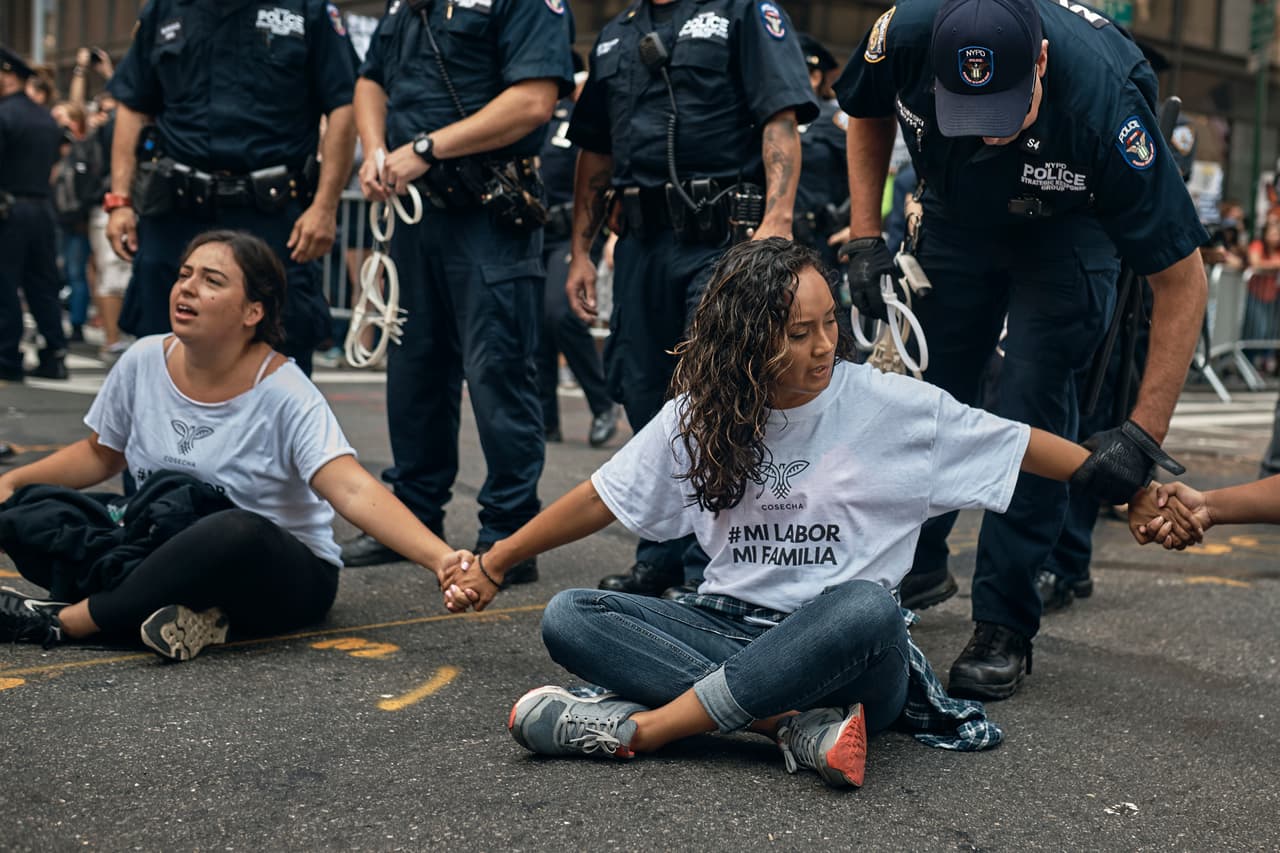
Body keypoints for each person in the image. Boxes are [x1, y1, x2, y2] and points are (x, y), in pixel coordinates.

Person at [436, 239, 1161, 788]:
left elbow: (1014, 441)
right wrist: (494, 563)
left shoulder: (885, 405)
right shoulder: (698, 415)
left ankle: (650, 728)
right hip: (729, 625)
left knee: (867, 608)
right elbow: (600, 496)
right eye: (796, 332)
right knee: (571, 612)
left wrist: (1131, 487)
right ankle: (786, 725)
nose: (822, 347)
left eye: (828, 325)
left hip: (850, 656)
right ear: (746, 339)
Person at [832, 0, 1208, 700]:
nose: (994, 134)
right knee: (924, 394)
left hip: (1068, 225)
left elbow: (1182, 280)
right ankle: (915, 557)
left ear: (1039, 63)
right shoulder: (906, 35)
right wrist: (862, 234)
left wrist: (1141, 435)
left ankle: (1004, 621)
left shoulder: (1104, 105)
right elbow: (866, 109)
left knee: (1030, 403)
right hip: (955, 213)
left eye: (1007, 112)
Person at [0, 230, 470, 661]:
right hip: (158, 540)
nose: (187, 287)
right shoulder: (143, 359)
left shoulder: (284, 391)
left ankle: (68, 621)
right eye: (184, 275)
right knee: (29, 512)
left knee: (235, 529)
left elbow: (349, 488)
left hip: (277, 576)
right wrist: (13, 482)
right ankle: (175, 615)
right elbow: (101, 453)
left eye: (211, 281)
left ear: (253, 312)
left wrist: (441, 559)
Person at [567, 0, 818, 597]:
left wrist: (778, 220)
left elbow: (779, 118)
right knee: (640, 390)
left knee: (711, 392)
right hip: (640, 244)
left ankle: (713, 564)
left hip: (721, 238)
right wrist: (581, 250)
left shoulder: (743, 12)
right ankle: (660, 553)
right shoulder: (614, 36)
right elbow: (595, 153)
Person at [340, 0, 574, 575]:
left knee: (498, 373)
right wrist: (375, 151)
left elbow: (533, 101)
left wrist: (425, 149)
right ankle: (413, 519)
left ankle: (508, 536)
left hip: (487, 215)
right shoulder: (406, 6)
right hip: (418, 218)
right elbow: (370, 80)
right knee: (414, 371)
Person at [104, 1, 358, 376]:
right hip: (176, 212)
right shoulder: (164, 10)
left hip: (272, 216)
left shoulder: (309, 10)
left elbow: (344, 105)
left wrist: (325, 206)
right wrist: (120, 201)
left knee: (280, 354)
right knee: (158, 351)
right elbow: (132, 104)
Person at [537, 53, 618, 448]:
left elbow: (600, 167)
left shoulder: (575, 114)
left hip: (573, 231)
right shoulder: (532, 118)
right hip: (533, 231)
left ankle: (603, 402)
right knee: (535, 325)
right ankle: (545, 419)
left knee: (561, 312)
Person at [0, 45, 70, 382]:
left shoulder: (5, 114)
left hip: (10, 208)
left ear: (7, 74)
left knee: (5, 284)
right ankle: (54, 353)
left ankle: (7, 356)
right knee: (42, 284)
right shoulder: (45, 116)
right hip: (43, 206)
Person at [794, 34, 848, 270]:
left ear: (815, 76)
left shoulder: (833, 120)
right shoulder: (766, 118)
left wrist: (858, 228)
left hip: (819, 240)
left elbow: (867, 170)